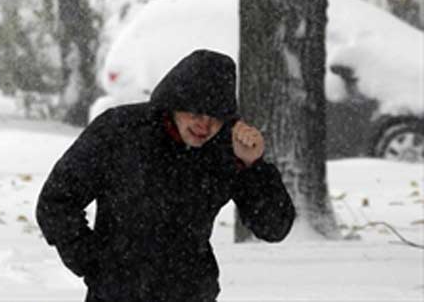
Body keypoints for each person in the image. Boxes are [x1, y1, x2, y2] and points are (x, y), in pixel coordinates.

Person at [36, 49, 295, 302]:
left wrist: (253, 167)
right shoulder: (120, 131)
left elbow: (274, 227)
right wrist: (94, 263)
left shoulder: (226, 150)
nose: (204, 125)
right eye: (194, 112)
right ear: (174, 104)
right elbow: (56, 202)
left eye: (214, 117)